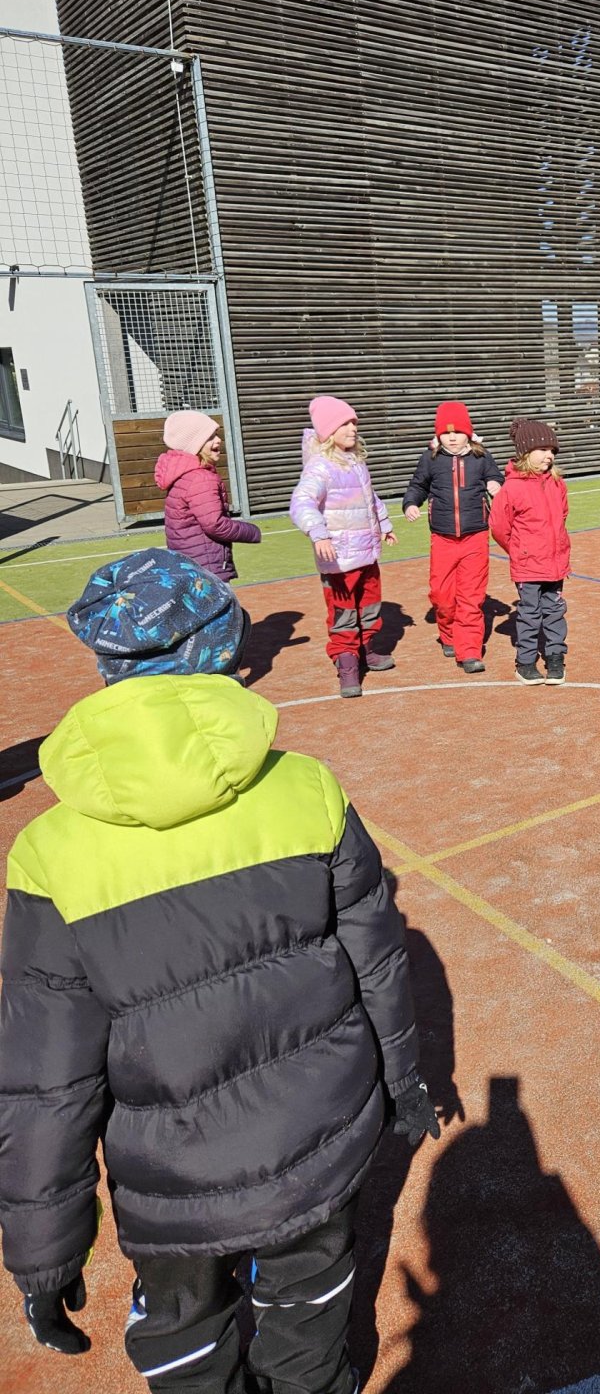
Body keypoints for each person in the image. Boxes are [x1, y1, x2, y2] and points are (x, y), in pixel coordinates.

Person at [0, 549, 439, 1391]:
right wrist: (404, 1080)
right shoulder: (308, 789)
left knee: (185, 1341)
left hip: (170, 1179)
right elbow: (378, 961)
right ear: (220, 650)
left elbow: (43, 1076)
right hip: (316, 1140)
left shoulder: (49, 853)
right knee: (310, 1323)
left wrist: (43, 1252)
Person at [290, 395, 397, 699]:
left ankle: (367, 649)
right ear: (328, 431)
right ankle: (347, 663)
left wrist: (384, 524)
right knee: (343, 612)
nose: (353, 428)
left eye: (354, 422)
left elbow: (370, 498)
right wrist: (318, 533)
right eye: (345, 424)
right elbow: (302, 502)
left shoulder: (356, 462)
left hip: (366, 553)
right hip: (338, 559)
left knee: (369, 605)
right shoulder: (320, 467)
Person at [402, 402, 504, 674]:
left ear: (468, 433)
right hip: (443, 538)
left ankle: (469, 651)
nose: (452, 438)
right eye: (446, 433)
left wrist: (496, 485)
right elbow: (418, 485)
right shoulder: (430, 458)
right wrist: (410, 503)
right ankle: (448, 633)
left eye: (457, 432)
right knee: (442, 596)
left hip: (476, 536)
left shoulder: (481, 456)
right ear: (438, 435)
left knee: (471, 596)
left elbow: (496, 477)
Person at [489, 418, 570, 685]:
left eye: (552, 451)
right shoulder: (512, 488)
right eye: (543, 449)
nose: (549, 455)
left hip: (555, 564)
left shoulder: (557, 483)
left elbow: (562, 515)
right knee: (530, 614)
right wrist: (519, 549)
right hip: (528, 565)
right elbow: (499, 527)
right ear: (525, 452)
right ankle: (525, 663)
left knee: (555, 612)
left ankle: (555, 657)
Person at [154, 410, 261, 582]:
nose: (218, 440)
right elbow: (215, 524)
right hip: (206, 568)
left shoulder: (183, 474)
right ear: (195, 445)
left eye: (216, 434)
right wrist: (252, 532)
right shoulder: (201, 479)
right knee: (220, 600)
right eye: (210, 437)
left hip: (188, 565)